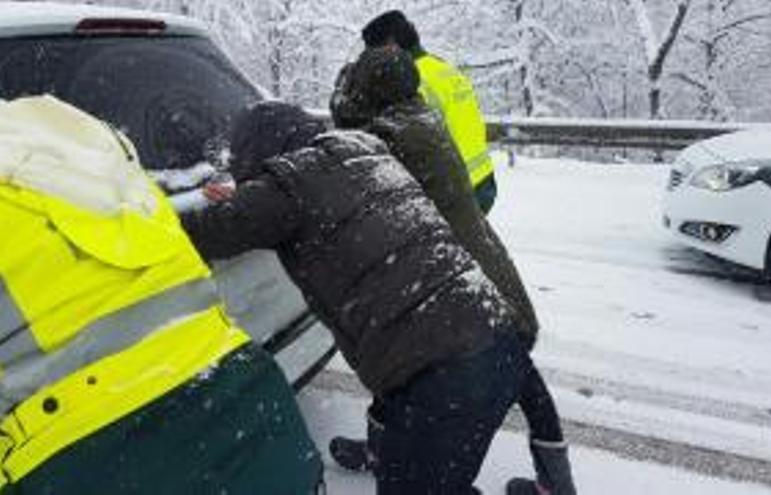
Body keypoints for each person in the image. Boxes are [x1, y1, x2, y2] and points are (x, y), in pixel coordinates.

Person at [180, 100, 533, 494]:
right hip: (499, 345)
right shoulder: (365, 150)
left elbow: (206, 231)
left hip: (443, 381)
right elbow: (313, 193)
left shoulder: (286, 190)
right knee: (439, 476)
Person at [0, 96, 322, 494]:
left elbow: (228, 228)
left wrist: (233, 206)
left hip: (80, 458)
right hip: (254, 407)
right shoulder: (86, 148)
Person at [330, 46, 577, 495]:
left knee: (412, 372)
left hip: (464, 287)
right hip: (488, 268)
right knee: (524, 378)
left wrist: (344, 97)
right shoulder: (421, 118)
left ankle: (413, 466)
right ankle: (555, 483)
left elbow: (348, 138)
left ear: (370, 92)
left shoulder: (391, 136)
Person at [360, 9, 498, 214]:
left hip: (454, 188)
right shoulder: (443, 67)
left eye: (373, 51)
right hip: (483, 179)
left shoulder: (407, 81)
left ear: (390, 44)